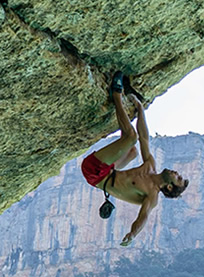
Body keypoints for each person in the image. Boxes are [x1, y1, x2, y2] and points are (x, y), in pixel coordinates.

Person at [80, 74, 189, 246]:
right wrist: (140, 109)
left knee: (131, 137)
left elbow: (143, 217)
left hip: (95, 174)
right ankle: (123, 104)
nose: (177, 173)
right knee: (133, 151)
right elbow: (144, 138)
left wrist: (132, 234)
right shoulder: (151, 166)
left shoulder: (152, 196)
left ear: (169, 186)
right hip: (108, 171)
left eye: (178, 178)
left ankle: (116, 93)